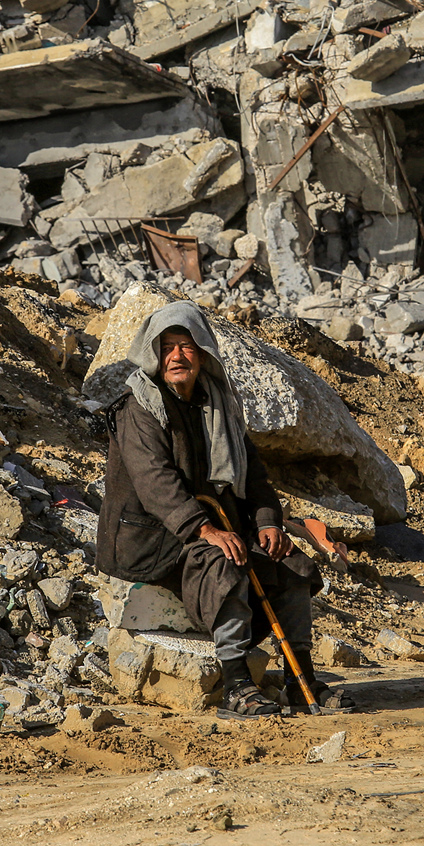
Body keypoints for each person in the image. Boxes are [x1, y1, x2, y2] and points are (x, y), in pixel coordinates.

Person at [97, 300, 354, 719]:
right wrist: (205, 530)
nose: (177, 356)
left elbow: (253, 476)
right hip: (153, 538)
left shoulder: (220, 404)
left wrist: (268, 523)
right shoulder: (137, 406)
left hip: (215, 525)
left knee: (288, 563)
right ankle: (237, 685)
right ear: (153, 353)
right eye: (168, 347)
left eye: (188, 346)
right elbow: (155, 482)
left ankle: (299, 677)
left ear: (204, 354)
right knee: (225, 561)